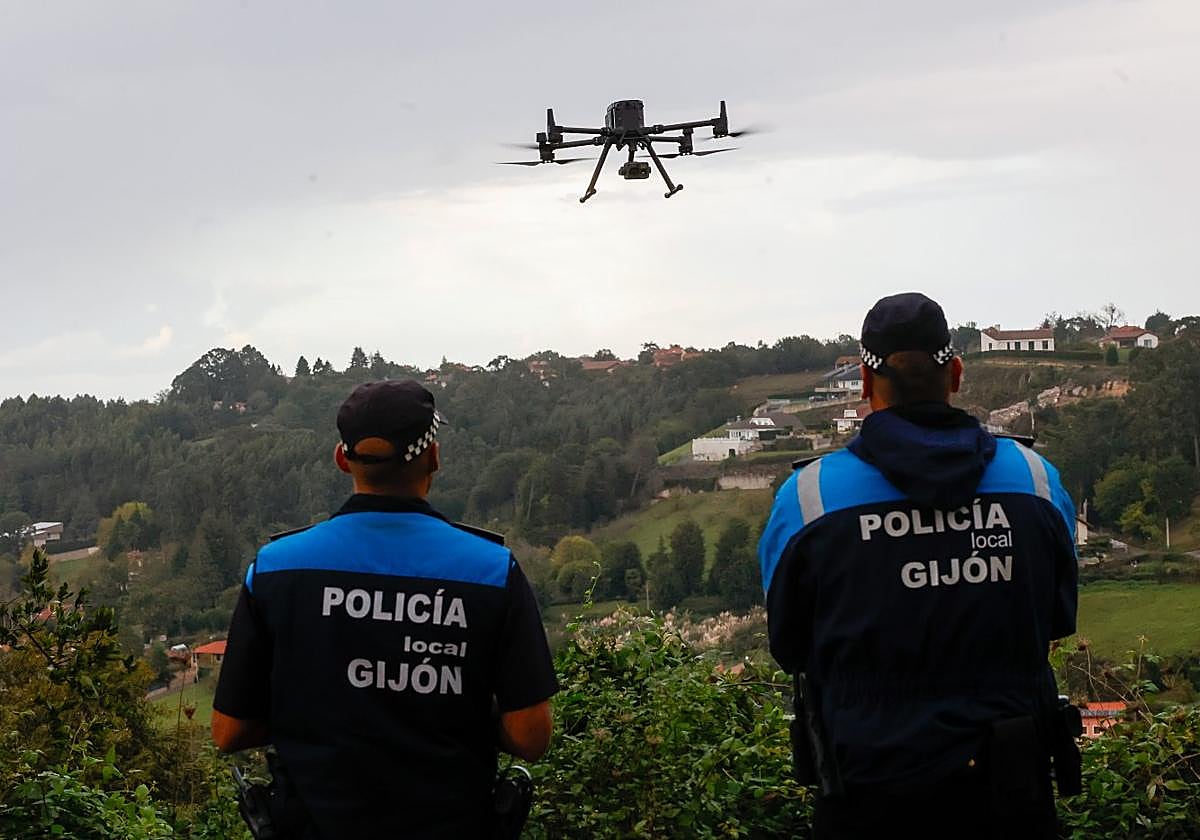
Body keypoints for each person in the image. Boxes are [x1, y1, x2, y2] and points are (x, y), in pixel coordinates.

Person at [758, 293, 1078, 840]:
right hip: (1012, 791)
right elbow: (1056, 620)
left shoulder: (807, 499)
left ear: (863, 380)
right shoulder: (1035, 481)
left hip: (868, 793)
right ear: (954, 372)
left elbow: (789, 646)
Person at [211, 379, 558, 839]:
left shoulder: (276, 569)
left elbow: (228, 732)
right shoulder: (491, 570)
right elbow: (531, 736)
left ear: (342, 459)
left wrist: (320, 716)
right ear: (434, 456)